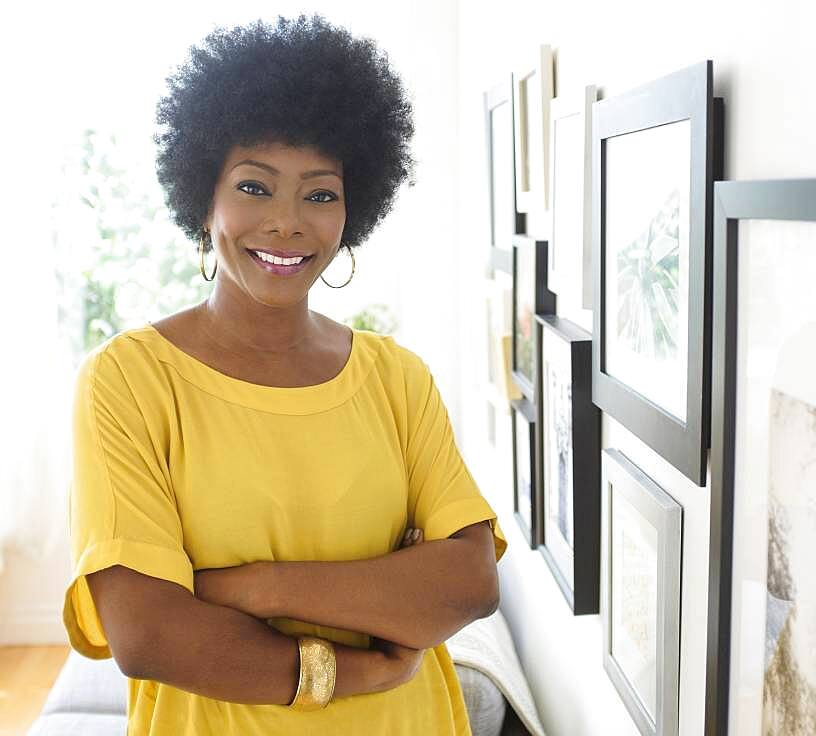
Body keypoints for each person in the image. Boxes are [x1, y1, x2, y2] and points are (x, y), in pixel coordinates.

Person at [63, 13, 507, 735]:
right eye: (254, 187)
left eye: (321, 194)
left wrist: (245, 588)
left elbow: (468, 583)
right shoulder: (129, 381)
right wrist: (356, 664)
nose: (287, 224)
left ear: (351, 210)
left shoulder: (396, 378)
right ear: (203, 198)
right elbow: (148, 634)